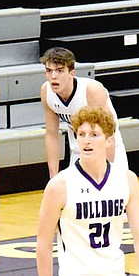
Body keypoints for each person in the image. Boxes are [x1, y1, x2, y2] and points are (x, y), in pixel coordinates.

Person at [36, 106, 139, 276]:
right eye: (81, 134)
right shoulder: (59, 186)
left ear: (109, 141)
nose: (86, 141)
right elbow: (43, 244)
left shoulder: (127, 179)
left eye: (94, 134)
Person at [40, 47, 126, 180]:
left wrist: (108, 171)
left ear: (72, 73)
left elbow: (108, 133)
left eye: (60, 71)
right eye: (49, 71)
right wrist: (53, 176)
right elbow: (52, 135)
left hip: (107, 148)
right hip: (79, 149)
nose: (53, 76)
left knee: (113, 197)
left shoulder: (92, 90)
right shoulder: (46, 91)